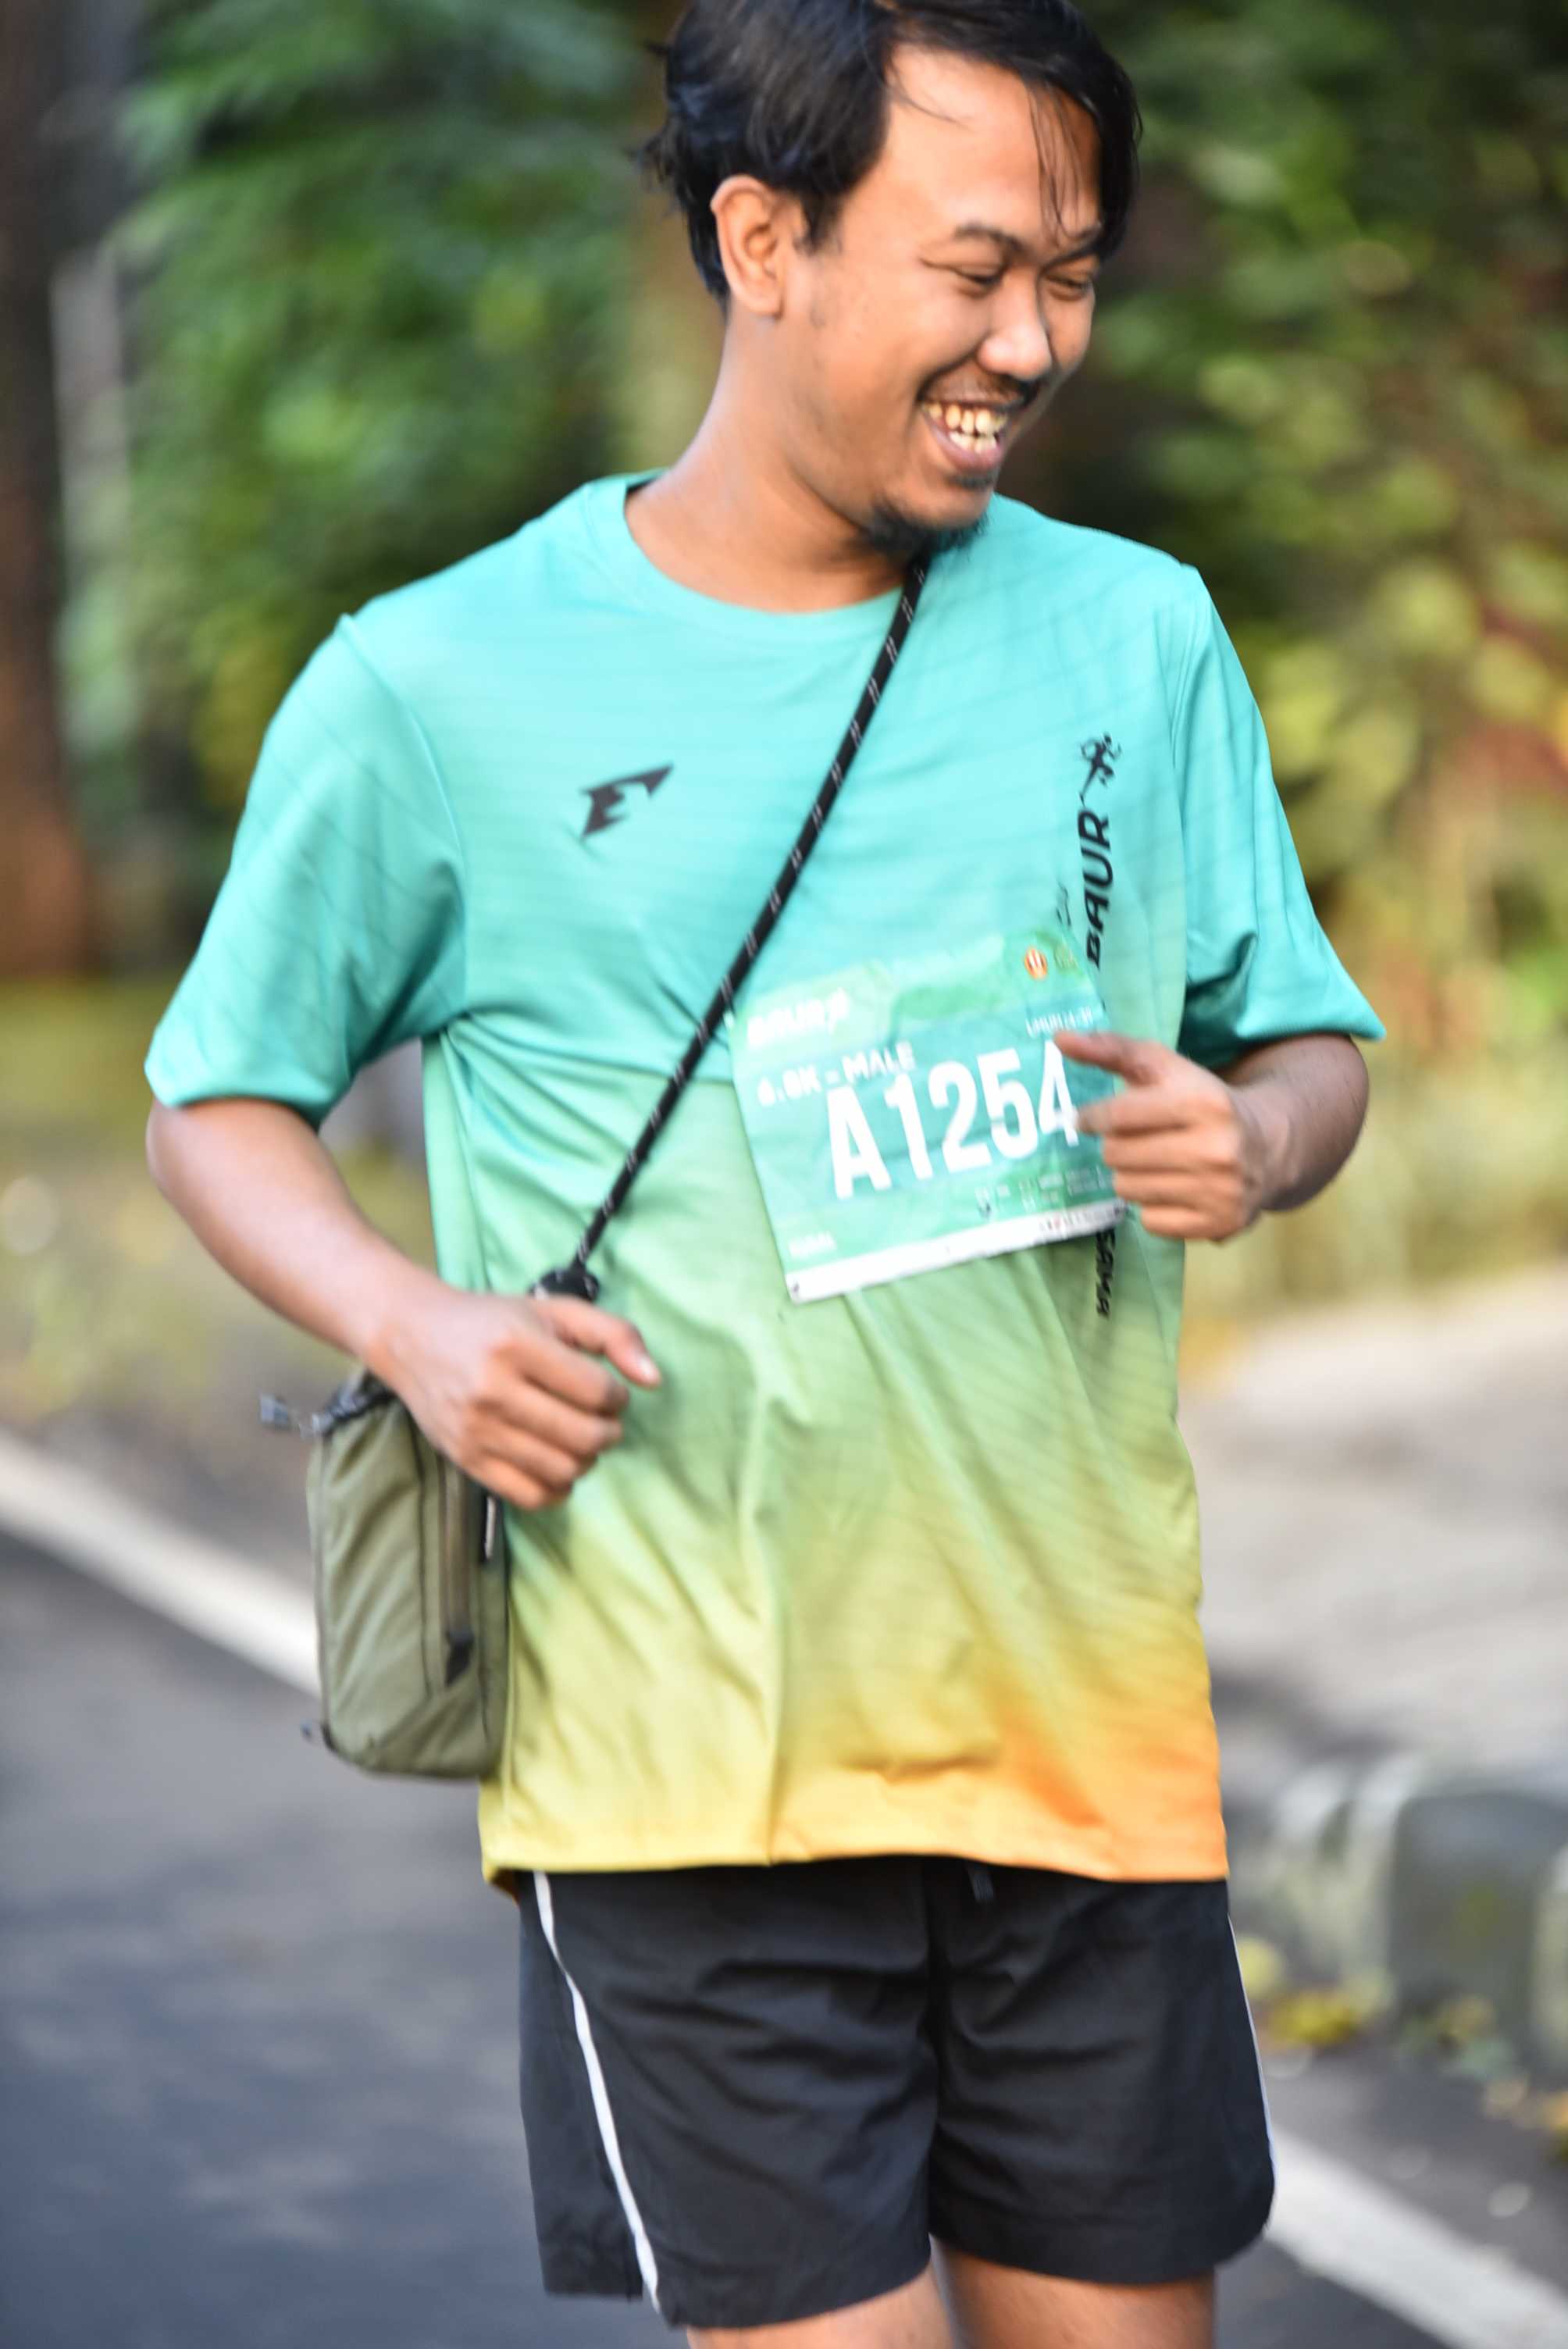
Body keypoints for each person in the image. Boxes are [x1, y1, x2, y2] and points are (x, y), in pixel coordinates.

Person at [144, 2, 1384, 2343]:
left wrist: (1261, 1136)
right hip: (690, 1781)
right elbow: (219, 1097)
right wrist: (420, 1330)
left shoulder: (1139, 638)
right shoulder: (438, 686)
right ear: (763, 238)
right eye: (977, 267)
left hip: (1080, 1740)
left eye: (1074, 277)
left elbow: (1307, 1039)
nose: (1033, 342)